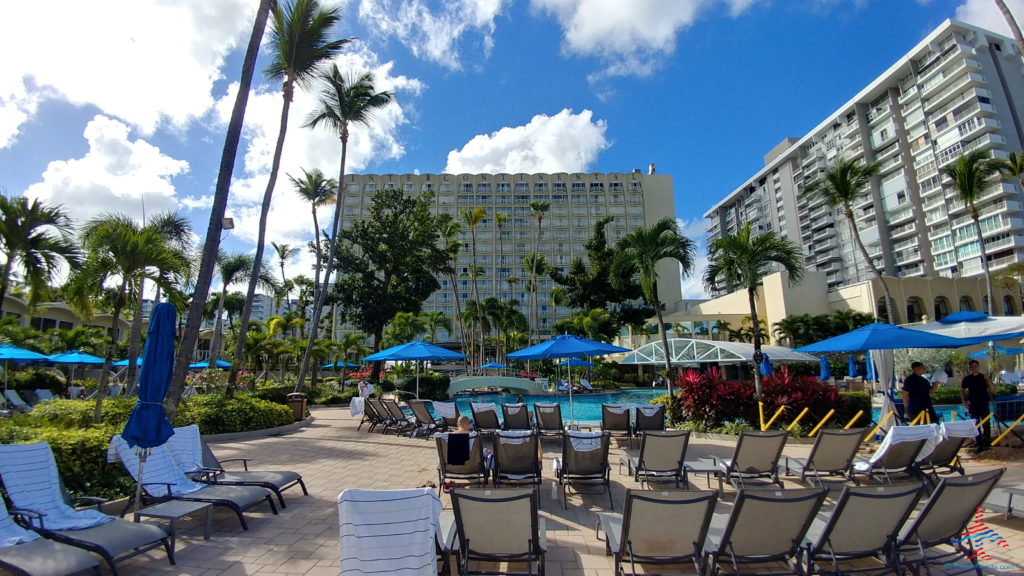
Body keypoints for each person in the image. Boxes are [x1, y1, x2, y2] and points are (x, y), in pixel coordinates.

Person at [961, 359, 996, 453]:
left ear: (979, 366)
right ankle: (979, 444)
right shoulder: (967, 378)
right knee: (976, 425)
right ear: (970, 368)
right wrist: (963, 401)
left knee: (986, 424)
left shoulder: (983, 377)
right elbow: (962, 390)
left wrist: (988, 379)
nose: (974, 368)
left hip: (983, 403)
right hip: (973, 405)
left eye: (976, 366)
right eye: (972, 367)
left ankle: (987, 444)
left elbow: (993, 390)